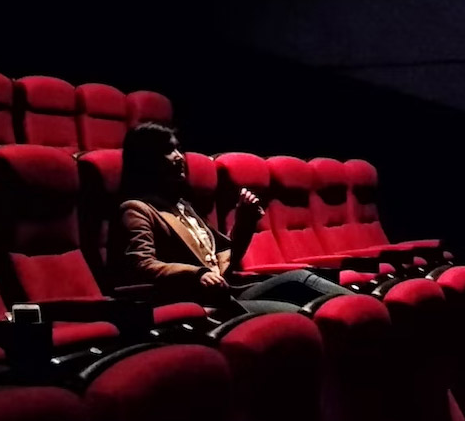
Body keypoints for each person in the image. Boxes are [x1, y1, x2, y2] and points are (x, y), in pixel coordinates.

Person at [115, 123, 352, 314]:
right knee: (297, 311)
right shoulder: (137, 209)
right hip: (195, 303)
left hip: (226, 293)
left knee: (300, 280)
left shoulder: (182, 206)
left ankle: (366, 308)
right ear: (147, 161)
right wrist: (196, 273)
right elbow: (140, 265)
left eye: (178, 149)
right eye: (168, 151)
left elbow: (227, 258)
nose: (179, 157)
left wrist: (244, 221)